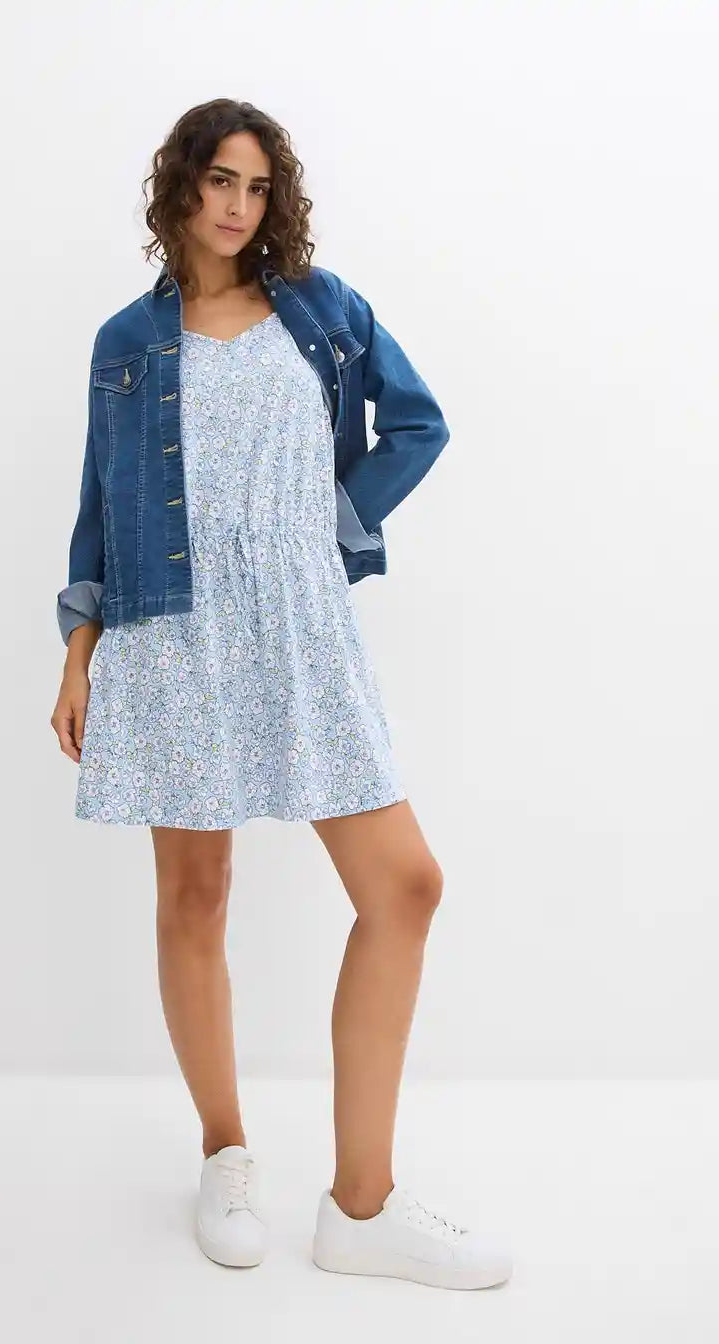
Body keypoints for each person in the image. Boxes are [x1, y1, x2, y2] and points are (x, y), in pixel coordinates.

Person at [50, 98, 512, 1289]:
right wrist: (77, 653)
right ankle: (225, 1153)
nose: (237, 206)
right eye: (219, 180)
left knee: (404, 885)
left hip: (299, 622)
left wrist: (332, 525)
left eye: (257, 187)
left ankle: (362, 1207)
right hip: (169, 628)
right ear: (181, 186)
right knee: (197, 893)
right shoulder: (126, 343)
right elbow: (100, 504)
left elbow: (418, 425)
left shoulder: (323, 308)